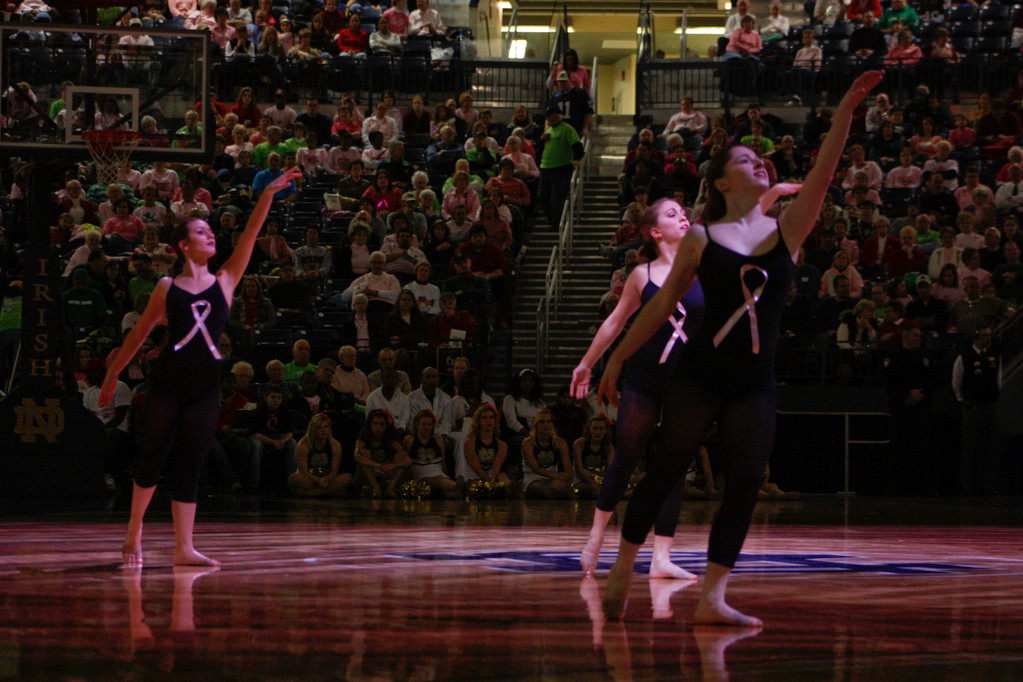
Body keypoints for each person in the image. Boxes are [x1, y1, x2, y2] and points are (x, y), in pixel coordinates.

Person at [596, 72, 884, 626]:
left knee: (747, 480)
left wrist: (847, 104)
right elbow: (657, 308)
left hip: (755, 380)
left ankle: (712, 596)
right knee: (665, 472)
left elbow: (825, 169)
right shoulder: (701, 237)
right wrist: (615, 357)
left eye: (762, 161)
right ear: (722, 183)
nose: (760, 165)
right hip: (699, 375)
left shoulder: (788, 230)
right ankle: (622, 567)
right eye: (746, 160)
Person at [99, 167, 302, 568]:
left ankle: (183, 547)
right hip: (168, 382)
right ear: (181, 245)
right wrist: (111, 375)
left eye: (210, 231)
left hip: (207, 387)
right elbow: (138, 335)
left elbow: (248, 237)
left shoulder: (226, 280)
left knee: (192, 460)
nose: (209, 234)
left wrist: (267, 195)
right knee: (153, 456)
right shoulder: (166, 288)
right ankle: (134, 529)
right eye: (199, 231)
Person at [571, 198, 707, 580]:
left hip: (685, 380)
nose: (682, 216)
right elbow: (616, 323)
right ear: (653, 231)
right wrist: (587, 362)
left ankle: (662, 557)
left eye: (683, 212)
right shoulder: (641, 275)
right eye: (671, 213)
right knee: (628, 453)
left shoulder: (704, 269)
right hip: (645, 376)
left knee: (675, 464)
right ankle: (596, 537)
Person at [288, 412, 351, 497]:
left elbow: (334, 469)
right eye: (319, 427)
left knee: (347, 477)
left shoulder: (335, 444)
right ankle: (329, 492)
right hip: (310, 478)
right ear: (313, 429)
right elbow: (303, 470)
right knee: (294, 478)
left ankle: (312, 493)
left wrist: (327, 479)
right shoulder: (304, 444)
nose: (323, 430)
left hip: (327, 478)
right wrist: (317, 480)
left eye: (326, 427)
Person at [404, 409, 459, 498]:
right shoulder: (410, 440)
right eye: (423, 424)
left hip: (439, 474)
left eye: (429, 425)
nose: (426, 427)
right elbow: (405, 464)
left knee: (451, 493)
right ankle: (456, 486)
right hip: (421, 475)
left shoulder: (438, 439)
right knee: (440, 481)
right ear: (417, 425)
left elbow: (443, 463)